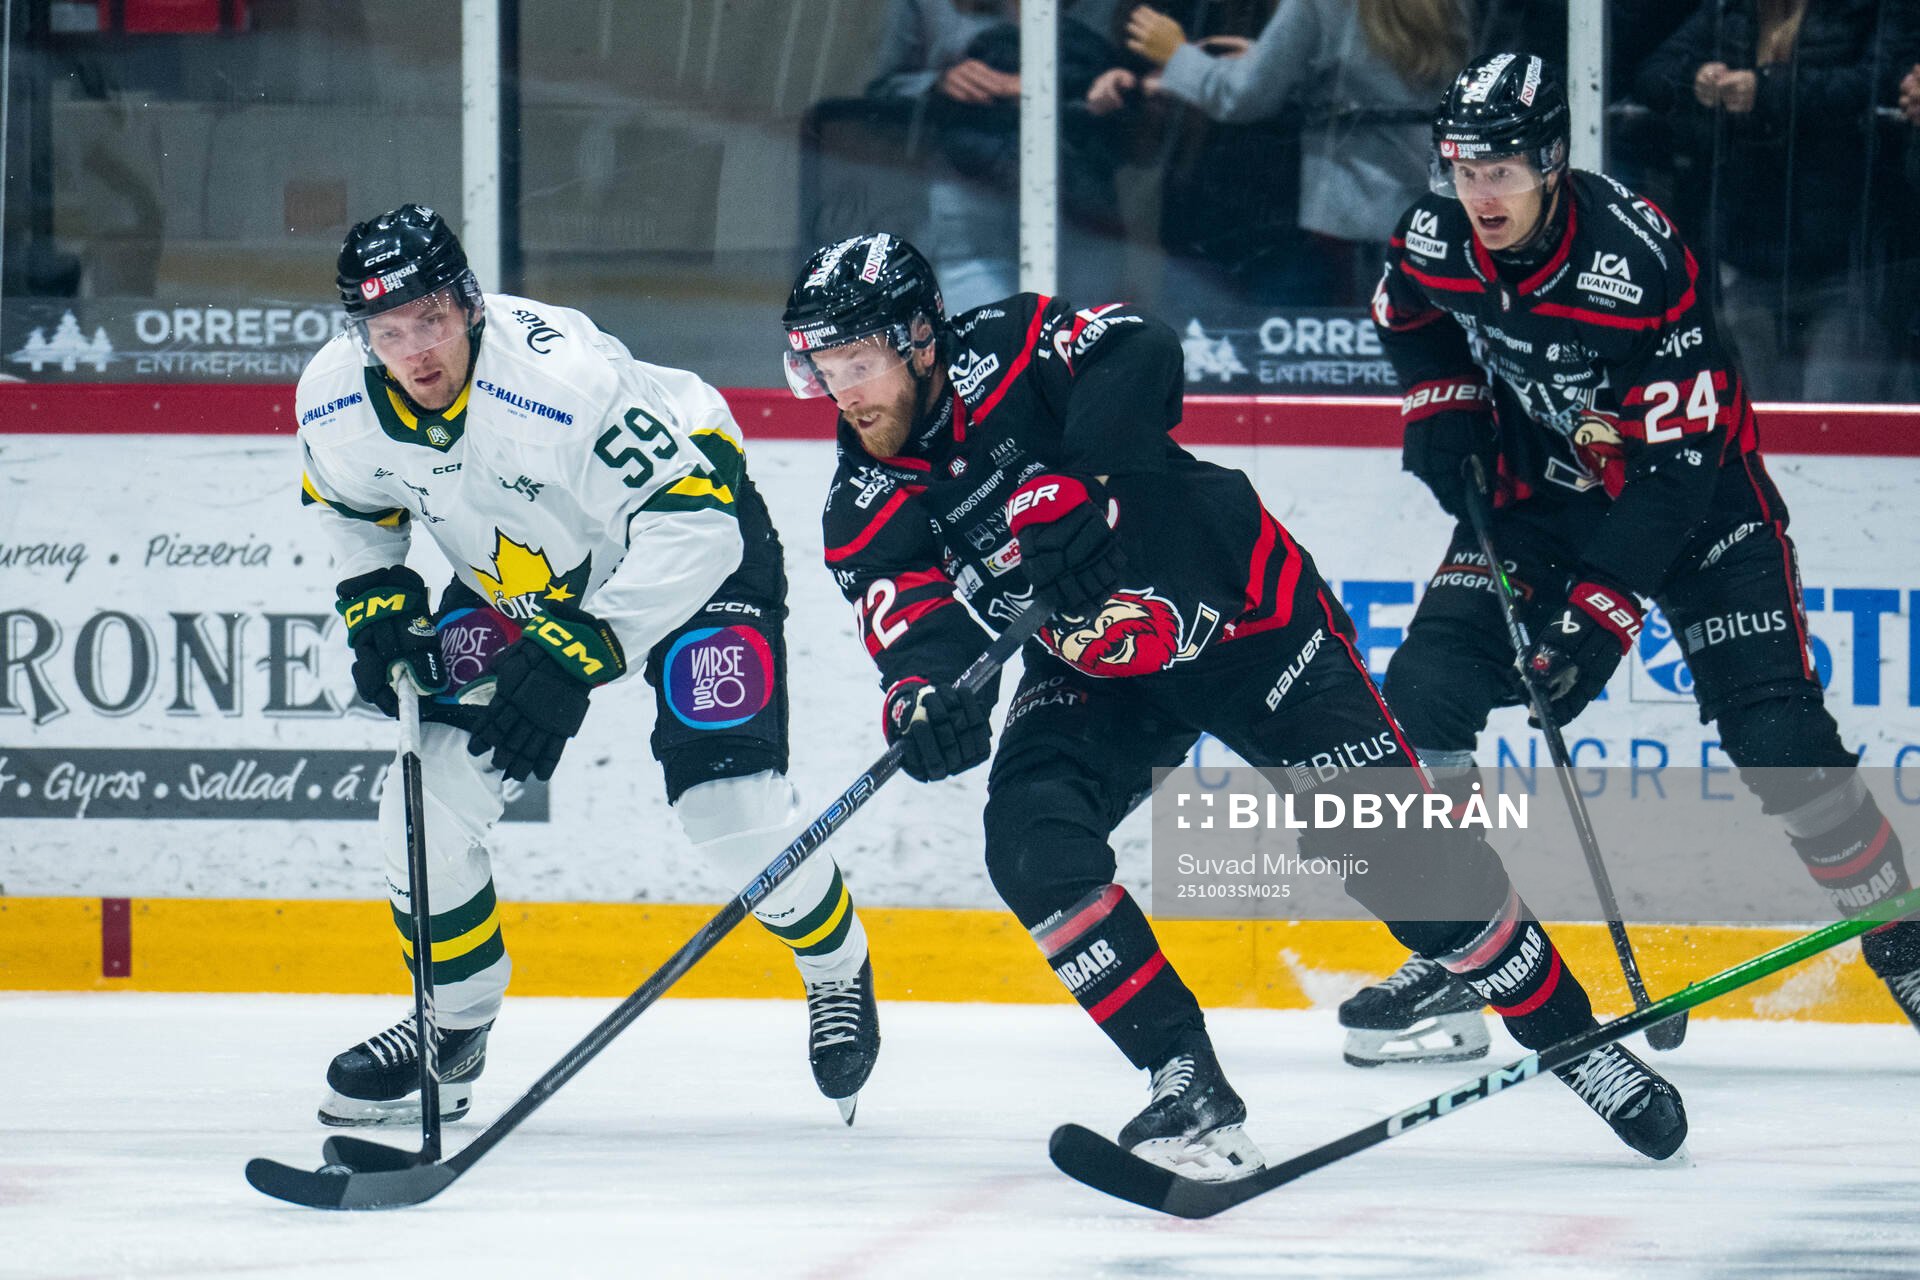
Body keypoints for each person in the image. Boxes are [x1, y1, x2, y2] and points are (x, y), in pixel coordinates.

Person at [781, 230, 1689, 1178]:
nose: (842, 391)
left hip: (1253, 621)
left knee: (1407, 871)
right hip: (1097, 671)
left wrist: (1080, 475)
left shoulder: (1007, 345)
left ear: (921, 338)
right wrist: (928, 703)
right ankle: (1185, 1079)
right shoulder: (861, 499)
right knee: (1031, 843)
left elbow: (1143, 351)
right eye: (821, 368)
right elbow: (921, 635)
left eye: (857, 361)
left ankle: (1583, 1051)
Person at [1353, 52, 1920, 1066]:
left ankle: (1906, 941)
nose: (1479, 192)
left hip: (1695, 497)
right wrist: (1441, 403)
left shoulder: (1633, 260)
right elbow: (1408, 311)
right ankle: (1458, 955)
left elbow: (1677, 469)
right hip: (1545, 500)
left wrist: (1597, 620)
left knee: (1779, 736)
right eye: (1462, 167)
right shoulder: (1436, 234)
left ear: (1552, 161)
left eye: (1502, 170)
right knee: (1425, 690)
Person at [295, 204, 879, 1128]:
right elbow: (348, 503)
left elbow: (696, 521)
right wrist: (379, 600)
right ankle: (451, 1020)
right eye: (389, 329)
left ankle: (835, 965)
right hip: (516, 571)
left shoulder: (558, 377)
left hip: (690, 552)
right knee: (424, 799)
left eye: (432, 319)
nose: (415, 351)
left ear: (471, 307)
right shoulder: (334, 397)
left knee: (727, 808)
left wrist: (579, 655)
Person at [1089, 0, 1467, 305]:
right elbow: (1367, 78)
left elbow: (1242, 96)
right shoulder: (1449, 8)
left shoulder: (1313, 6)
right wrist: (1270, 57)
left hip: (1343, 217)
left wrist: (1175, 54)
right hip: (1424, 204)